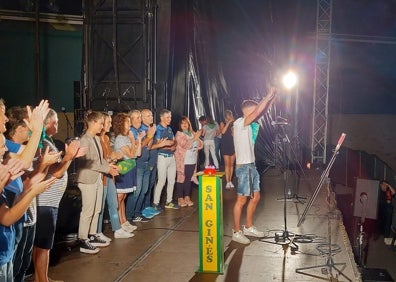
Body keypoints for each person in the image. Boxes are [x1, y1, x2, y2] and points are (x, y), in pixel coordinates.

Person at [33, 108, 88, 281]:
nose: (57, 125)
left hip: (50, 202)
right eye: (55, 122)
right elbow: (56, 172)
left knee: (45, 245)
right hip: (44, 202)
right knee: (42, 245)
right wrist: (69, 156)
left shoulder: (48, 141)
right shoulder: (42, 143)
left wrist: (71, 156)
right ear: (47, 123)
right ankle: (41, 279)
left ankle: (43, 277)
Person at [232, 87, 276, 244]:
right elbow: (258, 111)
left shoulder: (249, 125)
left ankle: (248, 227)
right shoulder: (240, 123)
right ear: (247, 111)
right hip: (244, 167)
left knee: (256, 197)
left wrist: (270, 100)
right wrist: (267, 96)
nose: (256, 113)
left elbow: (261, 112)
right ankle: (236, 232)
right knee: (241, 200)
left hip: (251, 166)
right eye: (253, 110)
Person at [77, 111, 118, 254]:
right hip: (88, 179)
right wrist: (107, 169)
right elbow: (89, 163)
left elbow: (98, 161)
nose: (102, 126)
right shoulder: (84, 140)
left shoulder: (95, 138)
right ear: (93, 122)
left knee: (97, 209)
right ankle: (82, 239)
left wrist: (109, 165)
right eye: (101, 123)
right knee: (88, 211)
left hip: (97, 178)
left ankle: (92, 234)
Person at [97, 112, 133, 240]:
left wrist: (113, 157)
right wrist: (111, 158)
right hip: (101, 177)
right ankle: (97, 232)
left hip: (110, 174)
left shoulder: (106, 138)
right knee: (100, 207)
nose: (110, 125)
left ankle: (117, 229)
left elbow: (108, 156)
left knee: (113, 203)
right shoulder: (96, 139)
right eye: (108, 123)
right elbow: (97, 161)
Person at [113, 113, 142, 233]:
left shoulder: (126, 137)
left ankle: (124, 221)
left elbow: (137, 154)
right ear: (121, 124)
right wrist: (132, 140)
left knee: (123, 197)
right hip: (123, 169)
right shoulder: (121, 138)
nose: (129, 124)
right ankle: (120, 223)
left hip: (130, 168)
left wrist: (138, 141)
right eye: (127, 122)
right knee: (119, 197)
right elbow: (130, 154)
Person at [127, 110, 157, 222]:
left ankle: (137, 213)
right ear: (131, 120)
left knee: (144, 190)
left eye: (140, 117)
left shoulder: (140, 130)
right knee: (137, 191)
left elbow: (148, 146)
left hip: (146, 162)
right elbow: (136, 149)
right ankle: (129, 215)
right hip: (138, 164)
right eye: (137, 118)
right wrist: (148, 136)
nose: (139, 120)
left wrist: (150, 136)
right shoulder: (131, 132)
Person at [152, 109, 179, 210]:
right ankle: (155, 203)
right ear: (161, 117)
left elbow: (174, 141)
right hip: (162, 157)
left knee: (172, 180)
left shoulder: (169, 129)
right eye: (167, 117)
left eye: (170, 117)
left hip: (171, 157)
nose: (169, 119)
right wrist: (169, 146)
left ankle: (169, 201)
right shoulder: (158, 129)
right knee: (162, 181)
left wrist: (173, 145)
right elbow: (159, 145)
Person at [174, 116, 203, 207]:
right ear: (180, 125)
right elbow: (185, 145)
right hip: (183, 161)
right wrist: (195, 138)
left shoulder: (192, 133)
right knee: (181, 178)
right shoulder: (179, 134)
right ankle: (180, 198)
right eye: (182, 123)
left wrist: (197, 138)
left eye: (186, 123)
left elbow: (200, 145)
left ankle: (187, 197)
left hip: (192, 160)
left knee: (188, 179)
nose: (184, 125)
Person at [220, 110, 236, 189]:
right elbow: (222, 132)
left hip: (233, 145)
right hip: (225, 145)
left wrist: (233, 128)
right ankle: (227, 182)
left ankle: (230, 181)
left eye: (230, 115)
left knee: (232, 164)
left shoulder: (234, 123)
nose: (229, 117)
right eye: (227, 115)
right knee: (227, 165)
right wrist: (228, 123)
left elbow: (234, 135)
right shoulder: (222, 123)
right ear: (225, 116)